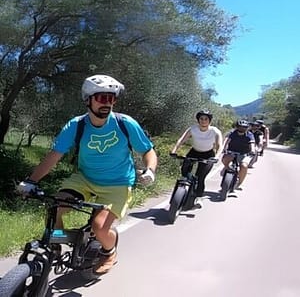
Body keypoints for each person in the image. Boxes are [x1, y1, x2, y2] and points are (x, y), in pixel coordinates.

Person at [17, 74, 157, 275]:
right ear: (88, 99)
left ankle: (109, 251)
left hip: (118, 183)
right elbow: (53, 156)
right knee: (56, 208)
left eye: (111, 98)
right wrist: (31, 181)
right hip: (84, 179)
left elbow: (147, 151)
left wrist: (150, 171)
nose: (107, 103)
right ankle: (56, 241)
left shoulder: (125, 123)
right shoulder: (76, 125)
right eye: (102, 98)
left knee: (99, 227)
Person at [171, 109, 223, 207]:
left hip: (208, 155)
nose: (203, 121)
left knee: (201, 177)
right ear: (198, 120)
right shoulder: (192, 129)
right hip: (194, 152)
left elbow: (220, 145)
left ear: (209, 121)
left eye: (206, 119)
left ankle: (199, 197)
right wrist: (174, 151)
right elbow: (181, 140)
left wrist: (216, 157)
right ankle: (186, 186)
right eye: (201, 118)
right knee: (184, 171)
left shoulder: (215, 131)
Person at [222, 120, 255, 189]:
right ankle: (226, 168)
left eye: (244, 127)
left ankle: (239, 183)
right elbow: (227, 140)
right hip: (232, 152)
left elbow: (252, 144)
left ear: (247, 128)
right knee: (225, 159)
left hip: (244, 154)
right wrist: (224, 148)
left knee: (244, 166)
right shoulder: (232, 133)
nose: (242, 129)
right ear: (237, 127)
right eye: (240, 127)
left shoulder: (249, 135)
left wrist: (252, 151)